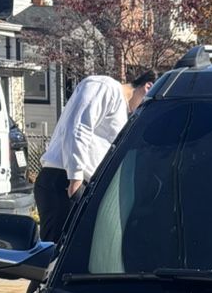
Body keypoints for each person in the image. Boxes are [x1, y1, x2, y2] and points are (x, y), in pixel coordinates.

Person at [33, 69, 152, 243]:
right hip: (64, 181)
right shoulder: (105, 86)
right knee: (57, 252)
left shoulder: (122, 112)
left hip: (81, 184)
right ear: (148, 86)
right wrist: (75, 180)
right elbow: (78, 126)